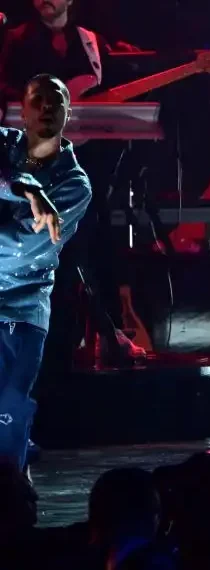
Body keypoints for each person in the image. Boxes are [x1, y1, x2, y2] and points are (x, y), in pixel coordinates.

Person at [0, 0, 144, 366]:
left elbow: (108, 95)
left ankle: (101, 334)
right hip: (30, 157)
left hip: (82, 156)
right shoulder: (14, 40)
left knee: (89, 238)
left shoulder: (92, 43)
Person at [0, 74, 92, 470]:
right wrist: (23, 185)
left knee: (7, 416)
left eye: (57, 100)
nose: (47, 107)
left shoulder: (74, 184)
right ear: (23, 109)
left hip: (20, 311)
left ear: (69, 112)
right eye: (38, 99)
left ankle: (12, 503)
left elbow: (21, 249)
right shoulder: (3, 144)